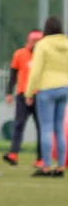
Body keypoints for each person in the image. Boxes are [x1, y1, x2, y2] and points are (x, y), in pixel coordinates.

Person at [23, 17, 68, 177]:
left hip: (47, 88)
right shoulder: (66, 43)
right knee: (59, 129)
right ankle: (61, 166)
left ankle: (46, 166)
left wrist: (29, 93)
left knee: (46, 128)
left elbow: (35, 71)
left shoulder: (43, 45)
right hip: (64, 87)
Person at [5, 30, 43, 166]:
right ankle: (13, 153)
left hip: (40, 95)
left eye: (38, 42)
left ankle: (40, 158)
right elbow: (13, 74)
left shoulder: (44, 56)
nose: (35, 44)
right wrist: (9, 92)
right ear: (28, 41)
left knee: (41, 127)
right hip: (22, 94)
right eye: (33, 41)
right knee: (18, 124)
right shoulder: (19, 54)